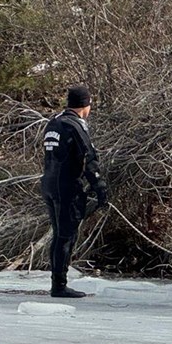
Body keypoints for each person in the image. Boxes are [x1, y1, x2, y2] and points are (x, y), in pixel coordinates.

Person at [40, 84, 109, 298]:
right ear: (85, 105)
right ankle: (59, 286)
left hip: (49, 184)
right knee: (66, 236)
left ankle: (57, 283)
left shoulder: (54, 123)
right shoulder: (75, 126)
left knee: (59, 235)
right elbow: (89, 158)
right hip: (66, 187)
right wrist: (100, 188)